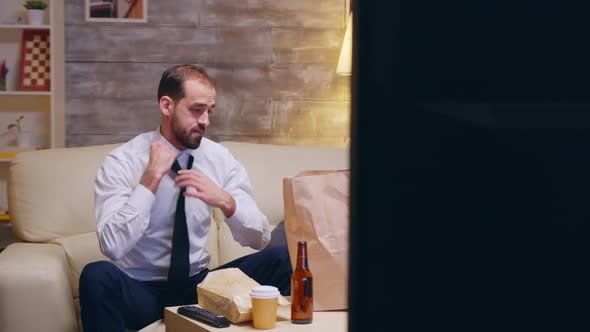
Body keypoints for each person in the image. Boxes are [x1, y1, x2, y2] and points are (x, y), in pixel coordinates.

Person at [79, 64, 292, 332]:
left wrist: (227, 202)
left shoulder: (218, 159)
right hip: (141, 290)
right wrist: (150, 180)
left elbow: (259, 238)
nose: (205, 121)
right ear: (167, 106)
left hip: (200, 290)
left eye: (208, 111)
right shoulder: (123, 161)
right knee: (96, 275)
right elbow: (112, 245)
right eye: (196, 110)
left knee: (282, 259)